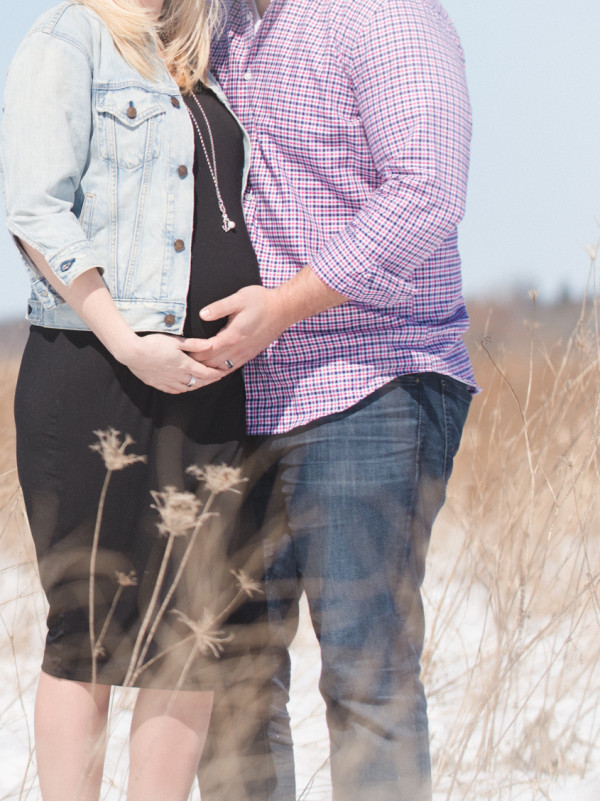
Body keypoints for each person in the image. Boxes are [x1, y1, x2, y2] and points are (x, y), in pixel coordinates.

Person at [182, 1, 476, 800]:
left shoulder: (383, 14)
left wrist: (282, 306)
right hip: (237, 397)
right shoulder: (220, 23)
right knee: (229, 676)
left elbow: (426, 193)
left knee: (363, 672)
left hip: (371, 379)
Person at [0, 0, 260, 798]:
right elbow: (37, 211)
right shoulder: (65, 39)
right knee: (89, 628)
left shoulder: (202, 53)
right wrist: (126, 340)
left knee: (191, 630)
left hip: (208, 387)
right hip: (94, 373)